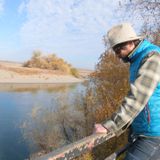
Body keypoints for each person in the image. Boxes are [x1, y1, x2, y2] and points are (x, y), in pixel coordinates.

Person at [93, 23, 160, 160]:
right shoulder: (136, 59)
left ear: (129, 43)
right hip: (142, 132)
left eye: (118, 51)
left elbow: (138, 96)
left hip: (154, 134)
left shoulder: (151, 57)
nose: (117, 56)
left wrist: (110, 126)